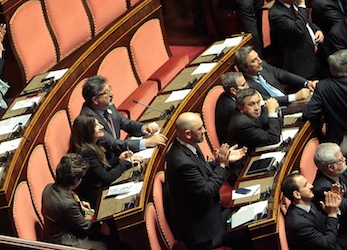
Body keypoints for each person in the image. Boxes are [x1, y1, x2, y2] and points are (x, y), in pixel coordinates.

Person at [165, 112, 247, 249]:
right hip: (203, 232)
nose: (204, 130)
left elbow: (202, 170)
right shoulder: (181, 162)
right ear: (188, 134)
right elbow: (207, 191)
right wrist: (222, 165)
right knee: (247, 233)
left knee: (244, 210)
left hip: (212, 214)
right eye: (200, 128)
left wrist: (219, 160)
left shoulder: (188, 146)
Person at [42, 153, 130, 250]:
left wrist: (79, 204)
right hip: (66, 241)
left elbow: (61, 210)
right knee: (113, 245)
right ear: (76, 180)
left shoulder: (49, 187)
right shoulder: (68, 204)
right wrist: (101, 225)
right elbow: (86, 227)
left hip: (58, 231)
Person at [79, 75, 167, 157]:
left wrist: (143, 128)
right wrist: (146, 142)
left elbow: (125, 123)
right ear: (95, 100)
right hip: (108, 163)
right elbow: (112, 144)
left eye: (109, 89)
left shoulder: (108, 105)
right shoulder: (89, 120)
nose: (111, 94)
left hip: (120, 154)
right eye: (106, 92)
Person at [70, 113, 140, 207]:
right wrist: (126, 163)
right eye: (96, 125)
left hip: (101, 188)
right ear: (87, 131)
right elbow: (107, 178)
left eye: (99, 123)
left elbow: (101, 169)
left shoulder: (94, 145)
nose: (101, 126)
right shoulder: (86, 152)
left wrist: (118, 159)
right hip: (96, 197)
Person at [234, 46, 315, 107]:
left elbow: (283, 75)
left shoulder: (263, 67)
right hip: (276, 112)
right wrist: (294, 97)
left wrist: (306, 83)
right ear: (245, 68)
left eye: (258, 57)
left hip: (290, 104)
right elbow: (266, 100)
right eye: (253, 61)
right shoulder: (245, 85)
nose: (260, 61)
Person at [281, 173, 342, 250]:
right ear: (297, 194)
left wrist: (334, 208)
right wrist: (332, 214)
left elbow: (322, 224)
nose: (311, 186)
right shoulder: (298, 223)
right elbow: (328, 245)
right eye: (306, 185)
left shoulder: (308, 203)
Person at [269, 0, 324, 79]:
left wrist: (316, 30)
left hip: (314, 55)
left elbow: (306, 21)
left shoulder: (293, 4)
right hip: (302, 64)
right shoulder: (276, 14)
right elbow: (299, 29)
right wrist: (302, 6)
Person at [215, 72, 249, 143]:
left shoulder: (226, 96)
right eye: (243, 85)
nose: (247, 87)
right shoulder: (232, 108)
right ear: (233, 91)